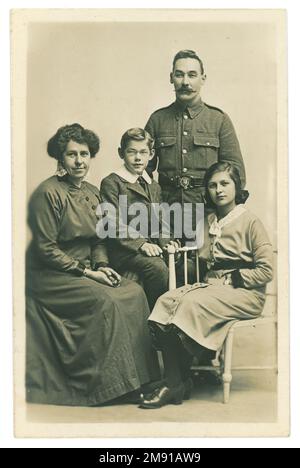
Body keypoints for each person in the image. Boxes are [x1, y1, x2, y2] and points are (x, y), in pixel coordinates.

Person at [26, 123, 159, 407]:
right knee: (106, 300)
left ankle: (141, 380)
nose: (79, 161)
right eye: (71, 155)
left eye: (84, 154)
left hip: (87, 267)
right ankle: (112, 386)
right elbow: (45, 249)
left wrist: (101, 265)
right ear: (60, 158)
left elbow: (100, 239)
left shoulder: (92, 192)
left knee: (133, 292)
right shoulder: (48, 193)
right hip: (52, 275)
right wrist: (87, 272)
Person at [139, 162, 273, 409]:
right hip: (214, 290)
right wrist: (176, 251)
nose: (218, 190)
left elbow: (267, 270)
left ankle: (173, 383)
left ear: (237, 186)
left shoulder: (251, 222)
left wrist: (234, 278)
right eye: (213, 185)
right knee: (166, 300)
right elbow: (196, 255)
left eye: (225, 184)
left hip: (244, 293)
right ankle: (178, 380)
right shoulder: (208, 220)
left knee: (188, 303)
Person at [145, 49, 246, 219]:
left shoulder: (218, 120)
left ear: (203, 79)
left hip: (209, 214)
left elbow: (236, 175)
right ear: (171, 78)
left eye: (192, 75)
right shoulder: (157, 120)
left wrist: (222, 216)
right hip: (166, 214)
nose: (185, 82)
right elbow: (140, 171)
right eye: (179, 75)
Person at [100, 128, 179, 310]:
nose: (138, 158)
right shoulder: (112, 183)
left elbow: (162, 222)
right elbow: (112, 223)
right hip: (125, 251)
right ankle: (154, 319)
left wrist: (169, 242)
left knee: (186, 266)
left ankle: (175, 319)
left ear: (151, 154)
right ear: (121, 153)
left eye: (143, 152)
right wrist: (141, 244)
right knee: (157, 269)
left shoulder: (153, 185)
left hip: (151, 247)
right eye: (131, 152)